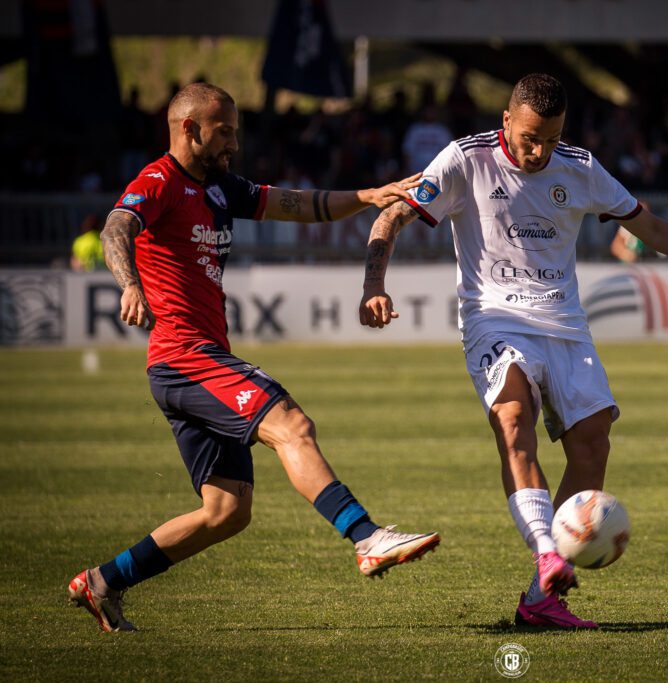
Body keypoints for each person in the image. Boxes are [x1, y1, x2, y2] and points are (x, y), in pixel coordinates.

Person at [358, 74, 668, 629]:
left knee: (593, 443)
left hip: (565, 326)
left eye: (551, 139)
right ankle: (547, 552)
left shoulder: (579, 167)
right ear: (506, 120)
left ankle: (539, 600)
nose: (539, 151)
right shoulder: (465, 159)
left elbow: (650, 227)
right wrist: (374, 284)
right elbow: (393, 214)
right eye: (530, 138)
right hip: (494, 318)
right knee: (513, 417)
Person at [67, 82, 439, 633]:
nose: (234, 144)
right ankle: (367, 538)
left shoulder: (222, 187)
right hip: (185, 357)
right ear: (189, 128)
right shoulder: (159, 181)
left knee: (227, 512)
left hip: (192, 361)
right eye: (224, 132)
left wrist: (368, 196)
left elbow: (300, 205)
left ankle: (102, 583)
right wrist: (129, 285)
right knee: (292, 424)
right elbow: (117, 226)